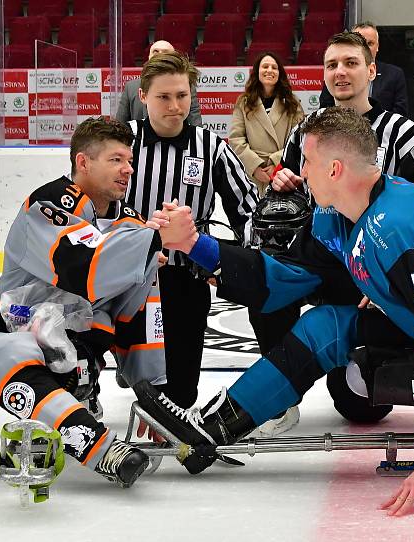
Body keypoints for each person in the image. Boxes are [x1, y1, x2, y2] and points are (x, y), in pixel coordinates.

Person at [135, 105, 414, 516]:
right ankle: (213, 428)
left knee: (380, 356)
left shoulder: (402, 227)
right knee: (323, 326)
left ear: (333, 169)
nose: (299, 172)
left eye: (306, 162)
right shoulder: (336, 217)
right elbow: (280, 279)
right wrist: (193, 244)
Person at [0, 117, 167, 488]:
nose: (128, 169)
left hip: (83, 354)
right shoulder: (47, 204)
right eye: (116, 159)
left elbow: (140, 312)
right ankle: (98, 445)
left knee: (146, 278)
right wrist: (151, 242)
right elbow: (81, 267)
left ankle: (75, 399)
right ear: (83, 162)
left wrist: (153, 394)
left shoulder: (132, 226)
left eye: (130, 160)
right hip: (24, 340)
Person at [251, 31, 414, 433]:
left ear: (371, 70)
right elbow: (296, 184)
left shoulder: (406, 136)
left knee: (360, 408)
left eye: (351, 63)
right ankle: (281, 398)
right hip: (321, 258)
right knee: (264, 284)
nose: (340, 72)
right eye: (332, 64)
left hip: (374, 271)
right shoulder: (304, 132)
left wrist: (391, 282)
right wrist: (285, 182)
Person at [125, 50, 259, 409]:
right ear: (142, 97)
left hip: (186, 276)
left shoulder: (211, 147)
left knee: (182, 383)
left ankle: (177, 415)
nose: (175, 106)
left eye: (182, 96)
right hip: (124, 277)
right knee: (114, 359)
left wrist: (237, 267)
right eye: (163, 97)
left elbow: (247, 212)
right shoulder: (122, 143)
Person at [229, 52, 305, 196]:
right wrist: (255, 167)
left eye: (274, 67)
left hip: (282, 172)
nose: (269, 70)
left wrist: (275, 162)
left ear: (279, 73)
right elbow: (236, 139)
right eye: (265, 66)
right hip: (251, 175)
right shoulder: (243, 102)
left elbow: (299, 139)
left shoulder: (292, 103)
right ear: (257, 72)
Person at [318, 22, 408, 116]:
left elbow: (400, 109)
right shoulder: (336, 73)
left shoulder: (394, 74)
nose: (365, 47)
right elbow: (326, 104)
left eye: (370, 43)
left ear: (377, 46)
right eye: (360, 42)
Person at [115, 40, 202, 126]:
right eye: (155, 51)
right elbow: (119, 127)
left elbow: (195, 123)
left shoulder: (187, 86)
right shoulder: (131, 87)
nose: (159, 55)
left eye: (166, 52)